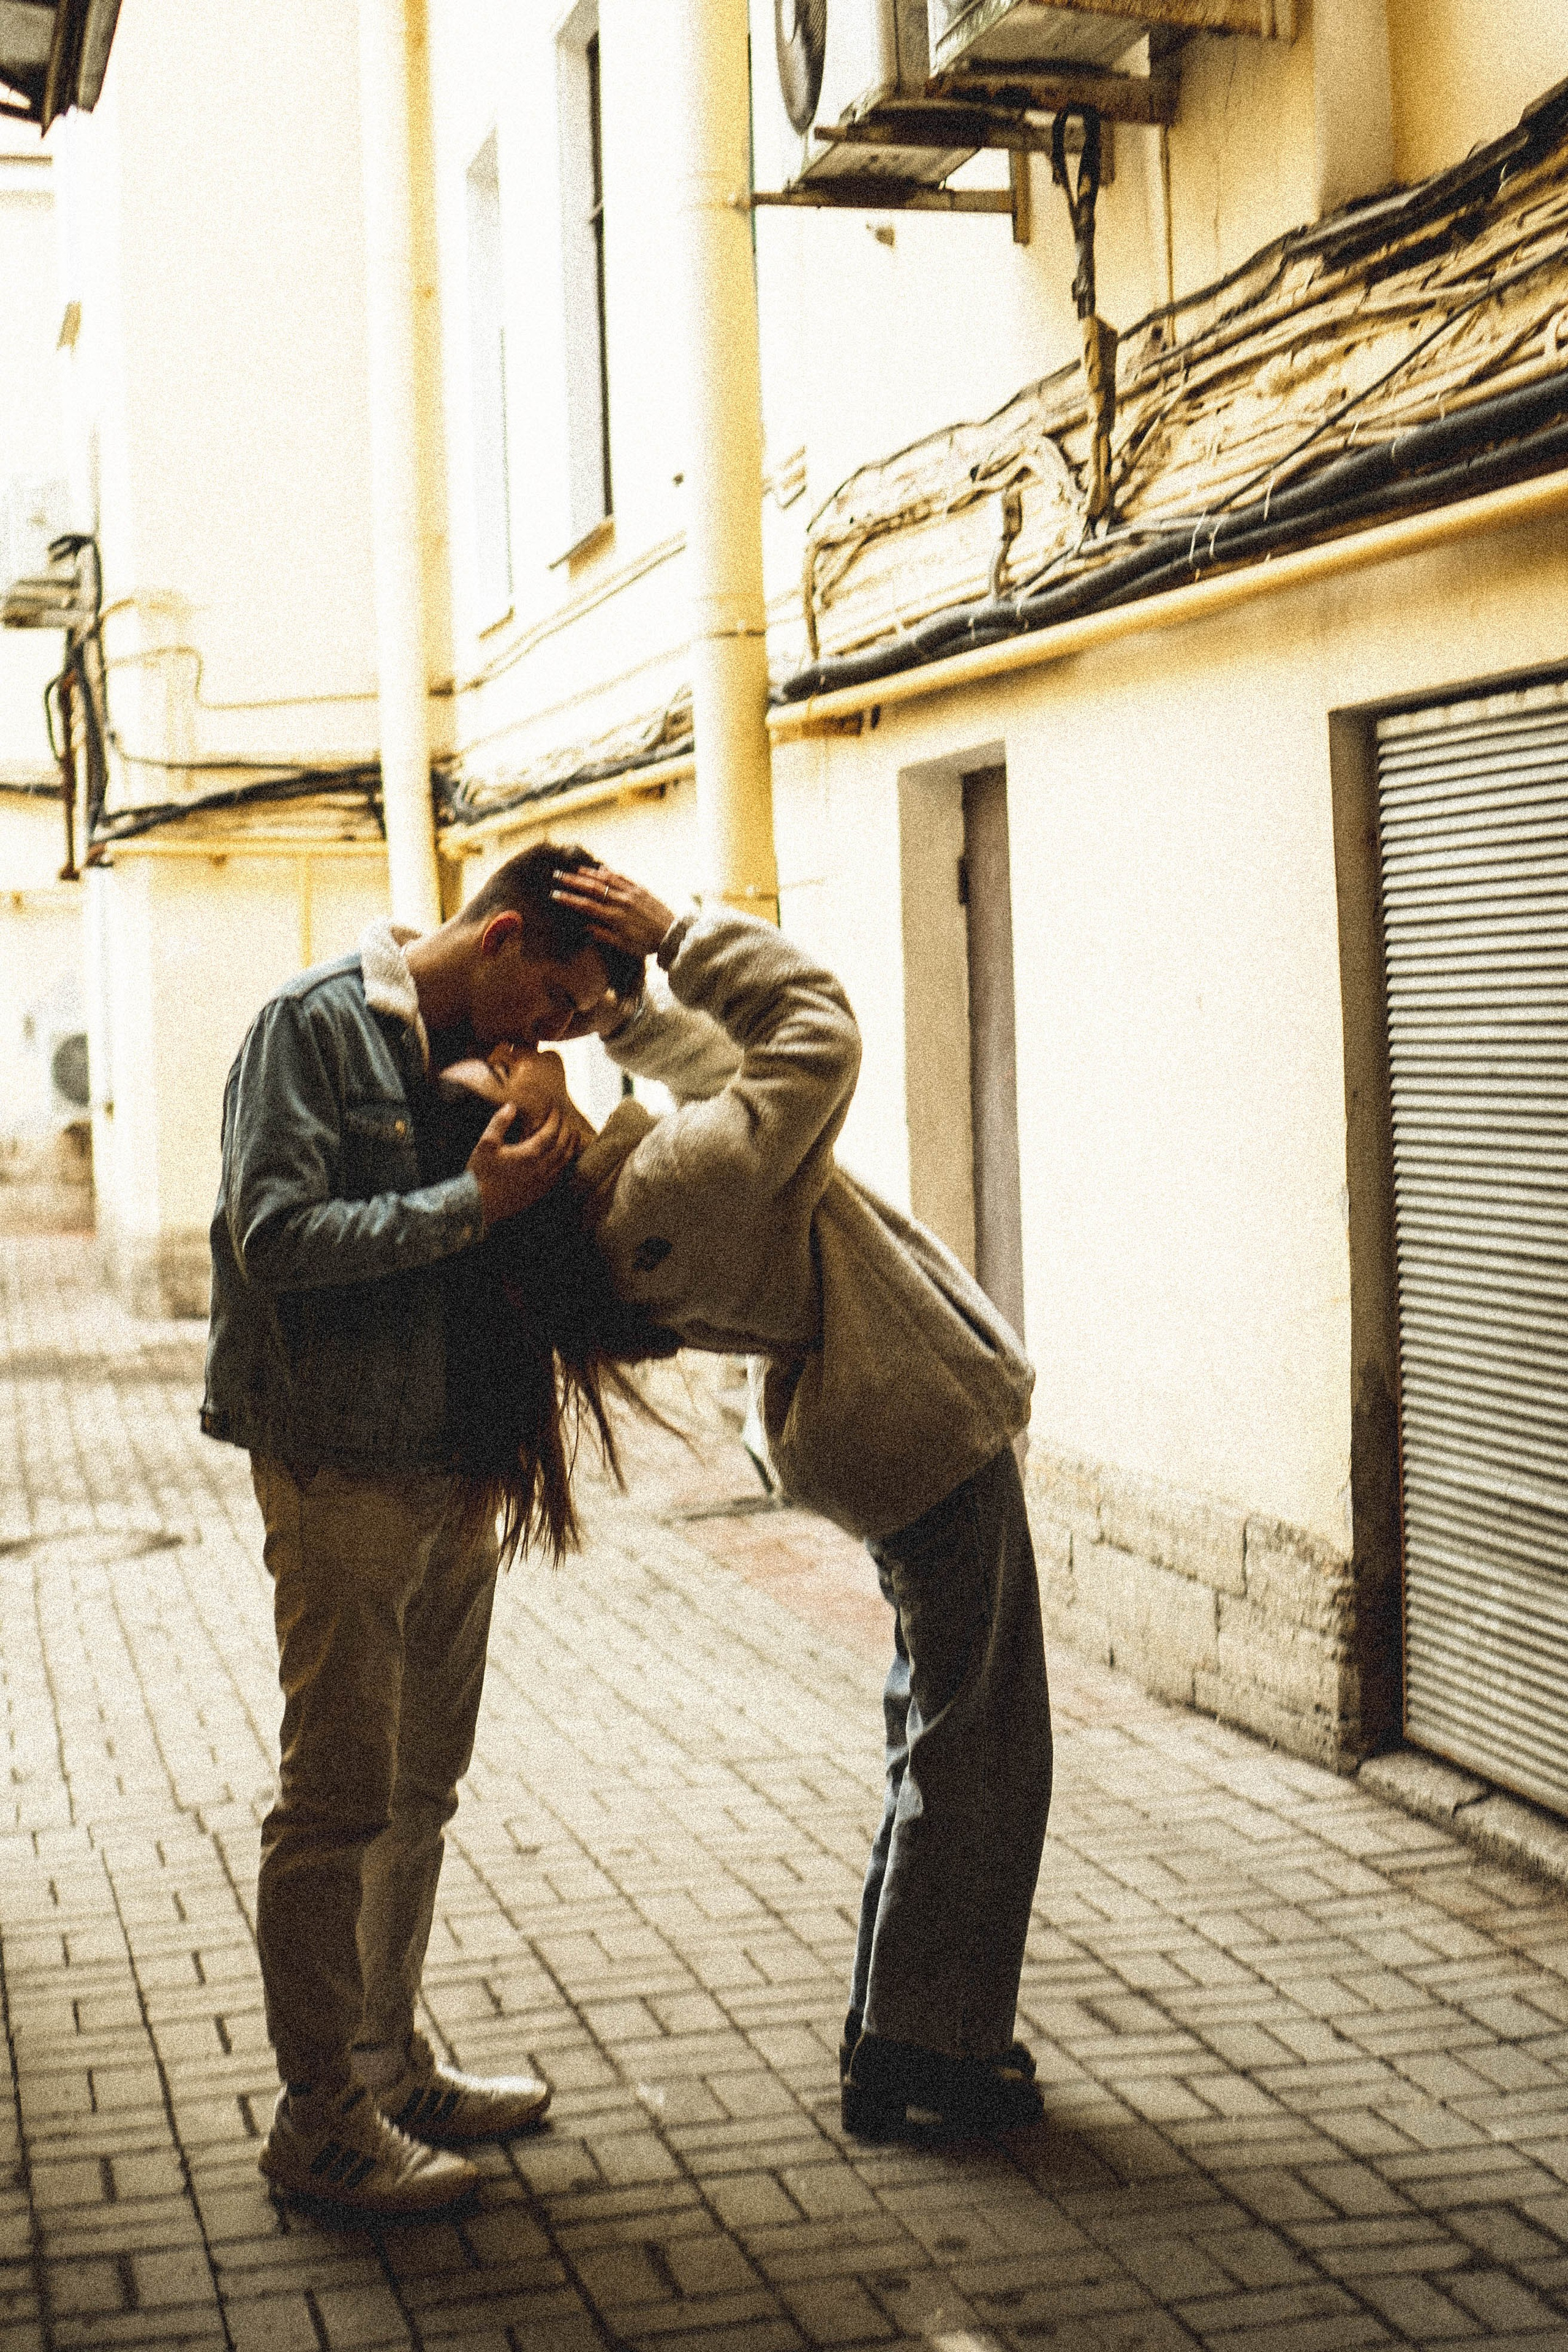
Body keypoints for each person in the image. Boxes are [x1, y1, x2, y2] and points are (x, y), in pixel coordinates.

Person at [443, 863, 1052, 2142]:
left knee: (941, 1726)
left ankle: (903, 2024)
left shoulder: (626, 1199)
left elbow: (717, 1084)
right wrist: (675, 936)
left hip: (885, 1432)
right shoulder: (662, 1194)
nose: (519, 1047)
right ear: (529, 1146)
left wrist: (618, 1018)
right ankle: (925, 2051)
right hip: (918, 1432)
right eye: (499, 1075)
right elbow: (808, 1038)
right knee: (976, 1745)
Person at [201, 843, 641, 2218]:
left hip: (454, 1467)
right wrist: (474, 1202)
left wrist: (549, 1137)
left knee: (419, 1789)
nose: (548, 1036)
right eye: (554, 1004)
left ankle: (387, 2065)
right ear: (503, 936)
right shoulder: (314, 1026)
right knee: (334, 1798)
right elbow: (271, 1238)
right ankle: (318, 2122)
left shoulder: (482, 1064)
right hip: (341, 1460)